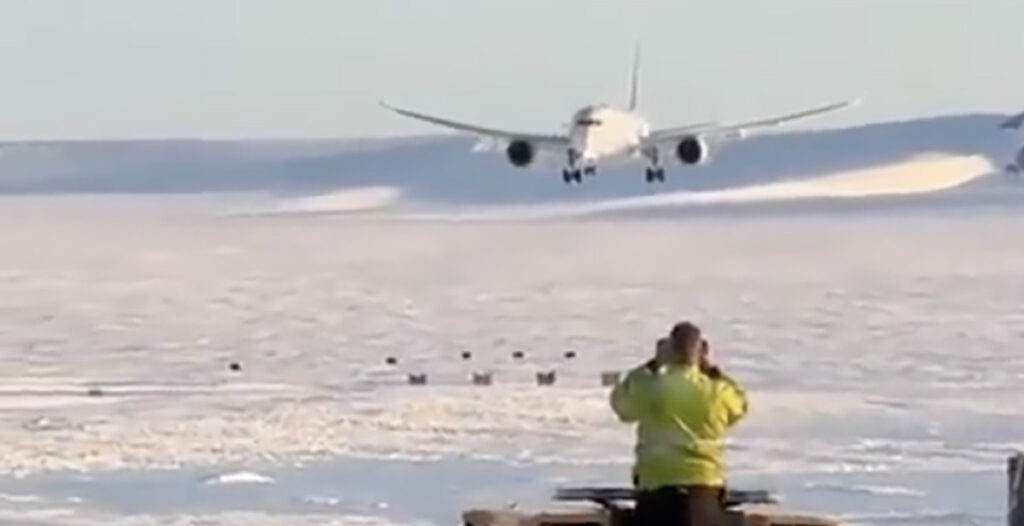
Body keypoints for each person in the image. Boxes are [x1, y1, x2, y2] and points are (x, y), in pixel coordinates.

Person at [610, 321, 748, 526]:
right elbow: (740, 405)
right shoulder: (717, 392)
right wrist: (711, 370)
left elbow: (621, 404)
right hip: (704, 493)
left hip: (656, 493)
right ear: (702, 350)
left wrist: (652, 365)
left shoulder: (650, 388)